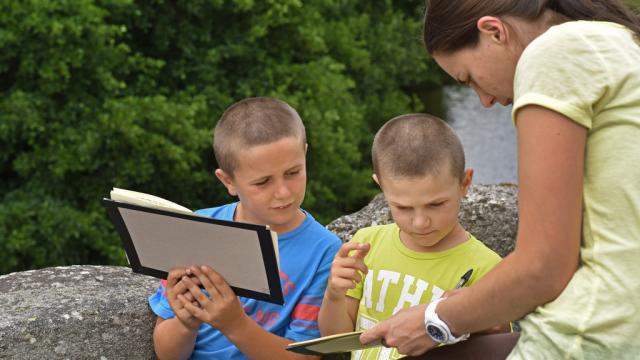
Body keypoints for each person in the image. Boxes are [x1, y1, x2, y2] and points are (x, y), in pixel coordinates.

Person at [359, 1, 640, 359]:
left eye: (469, 78)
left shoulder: (553, 53)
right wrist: (474, 305)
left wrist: (433, 319)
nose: (486, 100)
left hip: (597, 336)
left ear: (494, 31)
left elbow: (544, 269)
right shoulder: (623, 41)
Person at [148, 97, 342, 360]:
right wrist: (186, 322)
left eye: (293, 172)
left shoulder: (325, 252)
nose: (283, 192)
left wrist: (234, 324)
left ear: (305, 154)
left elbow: (305, 357)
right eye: (263, 182)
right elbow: (168, 354)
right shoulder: (196, 230)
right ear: (228, 180)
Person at [318, 113, 506, 359]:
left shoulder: (488, 268)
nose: (420, 222)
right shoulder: (367, 243)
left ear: (464, 183)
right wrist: (334, 294)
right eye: (403, 208)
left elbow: (494, 348)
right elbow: (337, 341)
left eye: (436, 204)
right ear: (381, 185)